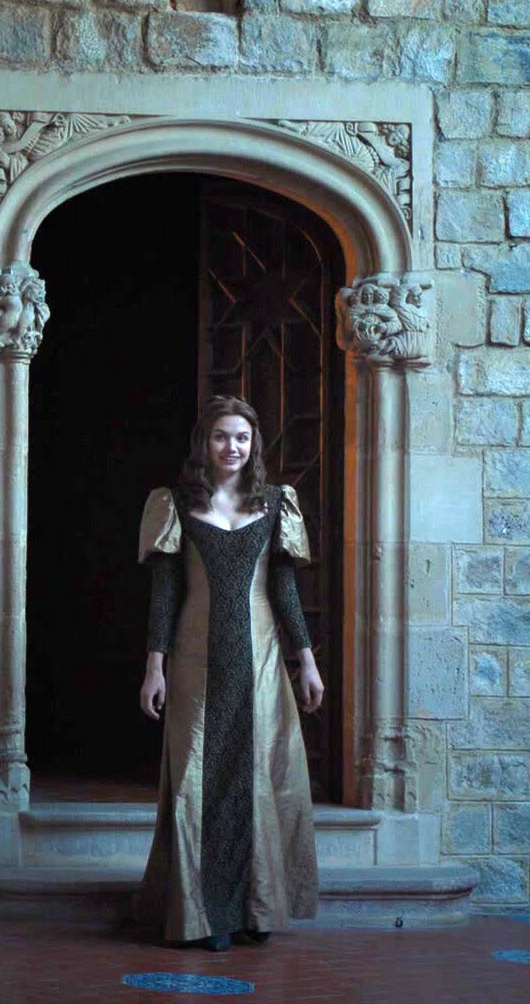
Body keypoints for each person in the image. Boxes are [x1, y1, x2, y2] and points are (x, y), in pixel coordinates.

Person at [132, 394, 324, 951]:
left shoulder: (276, 503)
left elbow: (284, 589)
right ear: (204, 442)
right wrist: (154, 668)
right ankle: (204, 914)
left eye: (242, 437)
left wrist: (306, 661)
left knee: (257, 779)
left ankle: (254, 908)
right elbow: (166, 594)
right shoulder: (174, 503)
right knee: (200, 782)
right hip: (195, 659)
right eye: (221, 436)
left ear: (254, 442)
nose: (232, 447)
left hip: (259, 660)